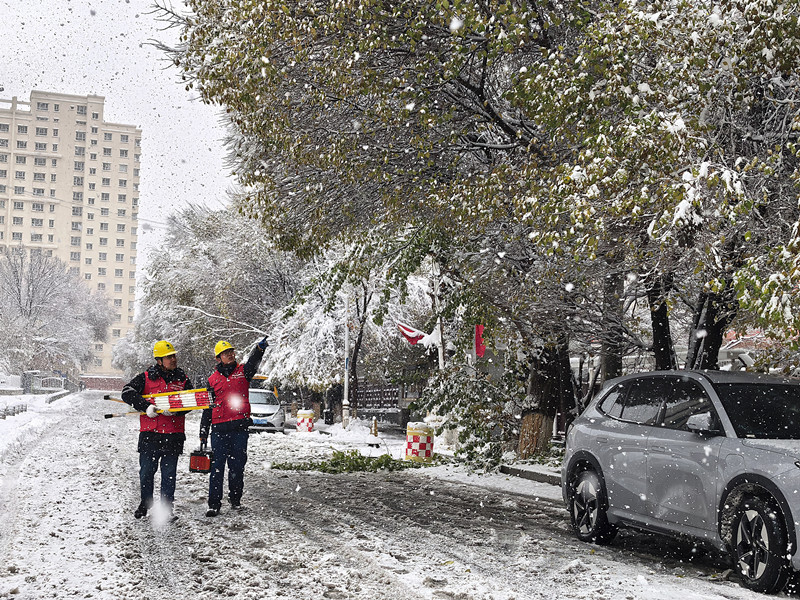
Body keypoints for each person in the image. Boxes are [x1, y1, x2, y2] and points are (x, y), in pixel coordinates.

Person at [121, 340, 192, 520]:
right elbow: (127, 392)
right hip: (150, 435)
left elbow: (193, 400)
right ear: (159, 360)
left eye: (174, 355)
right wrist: (146, 407)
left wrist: (177, 409)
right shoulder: (145, 377)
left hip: (173, 436)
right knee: (146, 473)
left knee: (169, 475)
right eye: (169, 357)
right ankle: (145, 503)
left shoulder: (182, 379)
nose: (173, 359)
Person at [200, 337, 267, 517]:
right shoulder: (212, 380)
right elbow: (208, 407)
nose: (230, 355)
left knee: (237, 467)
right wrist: (203, 430)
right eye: (225, 353)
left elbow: (253, 362)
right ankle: (214, 504)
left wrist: (258, 350)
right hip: (219, 430)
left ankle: (235, 499)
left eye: (231, 352)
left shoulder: (243, 372)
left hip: (239, 429)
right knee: (217, 468)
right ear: (218, 358)